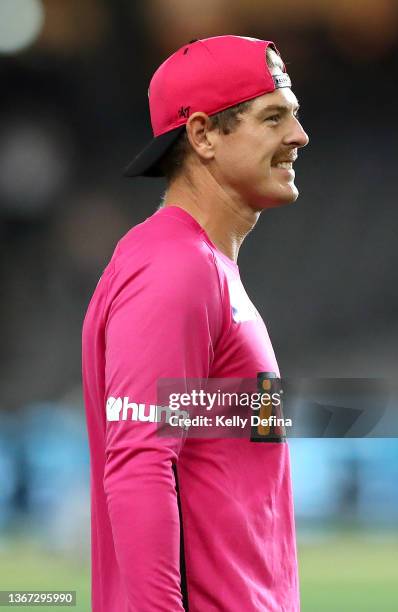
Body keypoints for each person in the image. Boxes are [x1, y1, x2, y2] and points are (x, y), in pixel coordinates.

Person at [82, 35, 309, 611]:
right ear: (204, 134)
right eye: (273, 117)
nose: (298, 137)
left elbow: (202, 440)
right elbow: (139, 464)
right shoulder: (174, 269)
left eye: (295, 116)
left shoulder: (199, 266)